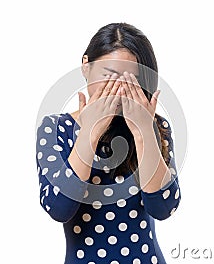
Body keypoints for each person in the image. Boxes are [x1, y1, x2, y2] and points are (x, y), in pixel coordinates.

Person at [36, 22, 181, 264]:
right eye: (109, 76)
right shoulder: (55, 128)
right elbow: (59, 208)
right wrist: (90, 134)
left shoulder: (156, 126)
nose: (117, 88)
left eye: (131, 79)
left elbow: (164, 207)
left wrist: (144, 130)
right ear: (86, 67)